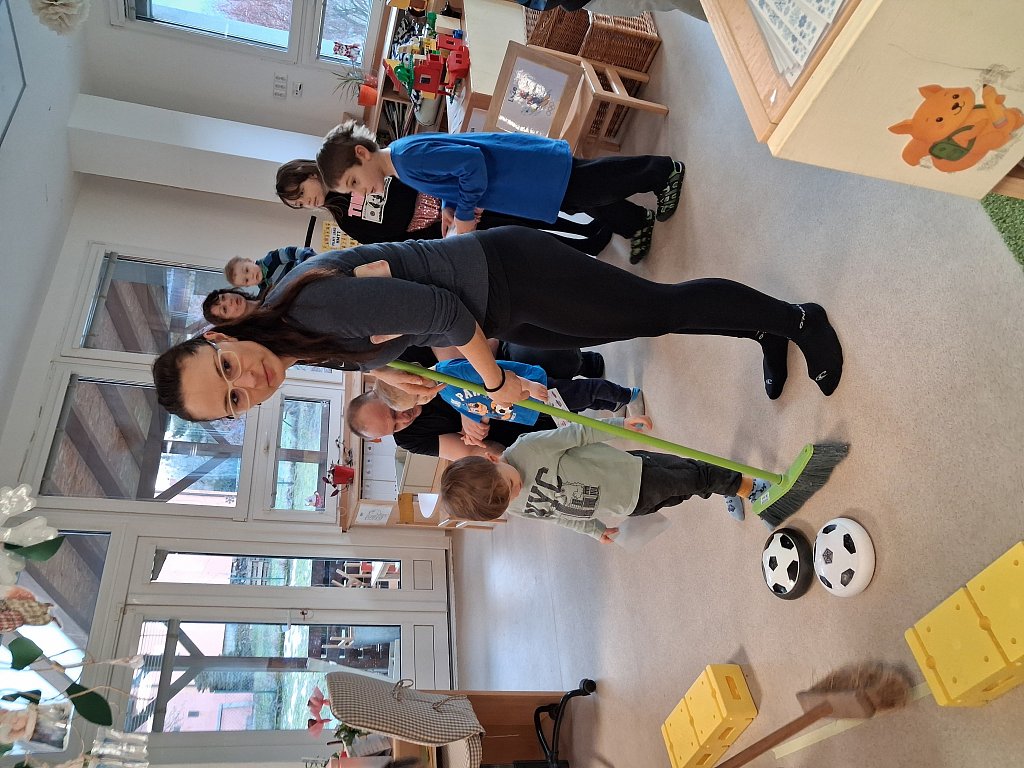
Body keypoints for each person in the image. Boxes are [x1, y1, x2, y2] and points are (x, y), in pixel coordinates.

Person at [151, 226, 843, 424]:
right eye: (234, 400)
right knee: (647, 321)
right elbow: (406, 325)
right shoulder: (294, 343)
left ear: (218, 337)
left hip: (509, 277)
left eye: (226, 369)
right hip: (504, 303)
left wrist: (495, 380)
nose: (249, 382)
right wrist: (397, 376)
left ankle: (794, 319)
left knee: (657, 308)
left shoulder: (305, 310)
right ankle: (761, 329)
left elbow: (444, 313)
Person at [315, 121, 685, 262]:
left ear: (361, 154)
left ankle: (661, 171)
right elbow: (450, 176)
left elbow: (471, 163)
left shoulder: (407, 159)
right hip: (520, 182)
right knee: (581, 197)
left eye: (354, 182)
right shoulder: (401, 165)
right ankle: (635, 221)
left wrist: (464, 216)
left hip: (522, 172)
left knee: (594, 183)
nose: (361, 192)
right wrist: (448, 206)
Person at [438, 415, 770, 541]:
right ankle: (723, 485)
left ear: (493, 459)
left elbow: (578, 434)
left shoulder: (527, 449)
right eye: (510, 497)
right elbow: (557, 516)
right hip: (627, 504)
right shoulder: (511, 505)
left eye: (510, 483)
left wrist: (618, 426)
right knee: (684, 491)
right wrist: (594, 530)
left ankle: (748, 488)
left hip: (634, 472)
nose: (517, 490)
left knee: (694, 477)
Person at [276, 159, 614, 256]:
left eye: (302, 194)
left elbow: (397, 174)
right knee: (522, 231)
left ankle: (584, 227)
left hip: (452, 192)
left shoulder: (348, 166)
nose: (308, 203)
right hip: (446, 228)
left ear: (308, 173)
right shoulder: (345, 221)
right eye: (300, 205)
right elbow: (392, 238)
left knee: (525, 207)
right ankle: (583, 245)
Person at [429, 357, 643, 425]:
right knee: (579, 403)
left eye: (416, 399)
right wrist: (479, 425)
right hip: (526, 408)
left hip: (531, 390)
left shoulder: (448, 373)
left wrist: (528, 386)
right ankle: (614, 403)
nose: (421, 404)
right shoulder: (442, 393)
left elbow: (495, 373)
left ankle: (628, 395)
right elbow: (476, 408)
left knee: (582, 392)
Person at [224, 246, 318, 294]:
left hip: (310, 269)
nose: (251, 276)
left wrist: (308, 257)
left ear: (249, 261)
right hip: (306, 288)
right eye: (246, 280)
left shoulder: (271, 259)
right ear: (248, 286)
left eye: (247, 270)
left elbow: (292, 252)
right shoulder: (265, 292)